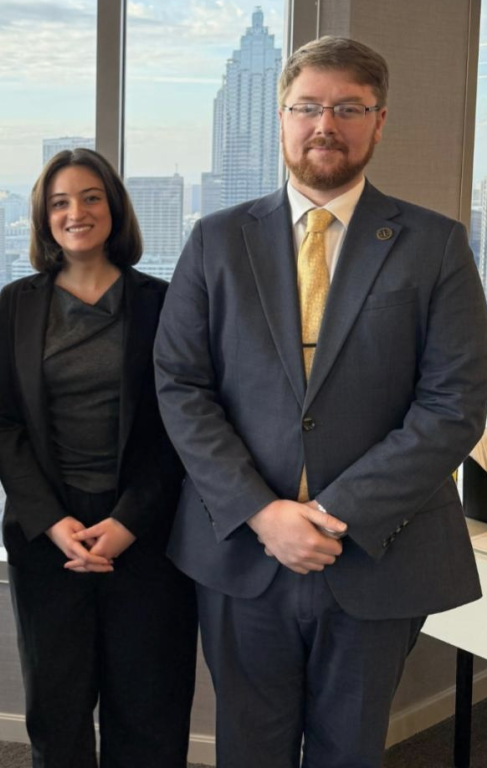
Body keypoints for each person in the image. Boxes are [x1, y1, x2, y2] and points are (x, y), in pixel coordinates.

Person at [154, 36, 487, 768]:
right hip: (244, 551)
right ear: (280, 119)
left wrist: (333, 517)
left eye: (347, 108)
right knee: (250, 750)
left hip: (376, 552)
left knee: (350, 752)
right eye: (306, 107)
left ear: (379, 121)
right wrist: (263, 513)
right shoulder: (214, 241)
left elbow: (454, 404)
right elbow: (181, 385)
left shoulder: (435, 246)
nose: (324, 125)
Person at [0, 148, 197, 768]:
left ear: (114, 208)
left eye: (90, 197)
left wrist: (130, 521)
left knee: (149, 711)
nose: (75, 212)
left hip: (146, 532)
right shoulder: (17, 304)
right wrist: (52, 522)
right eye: (59, 202)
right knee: (57, 711)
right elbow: (1, 422)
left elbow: (179, 426)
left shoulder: (163, 302)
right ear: (43, 218)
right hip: (49, 535)